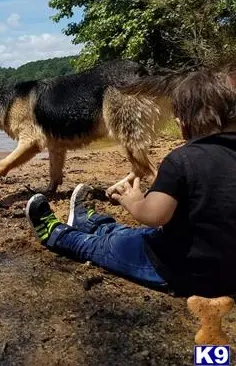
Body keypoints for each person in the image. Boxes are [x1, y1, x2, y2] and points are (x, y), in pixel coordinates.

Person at [25, 69, 236, 297]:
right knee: (133, 237)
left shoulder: (182, 161)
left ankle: (55, 233)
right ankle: (92, 223)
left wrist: (133, 201)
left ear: (183, 122)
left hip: (178, 271)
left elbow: (155, 217)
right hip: (230, 277)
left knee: (104, 247)